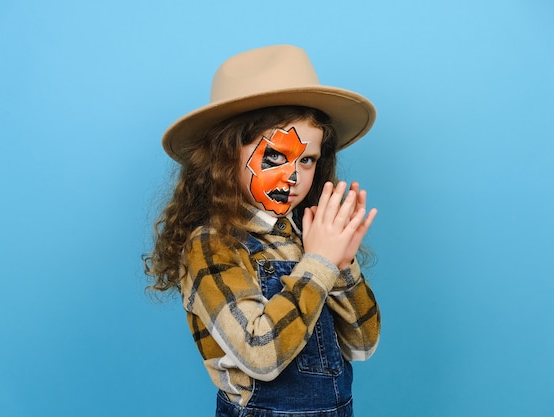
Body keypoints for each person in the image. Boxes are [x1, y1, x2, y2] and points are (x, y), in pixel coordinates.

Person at [144, 44, 381, 417]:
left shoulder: (309, 233)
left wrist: (343, 261)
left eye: (307, 160)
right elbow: (260, 354)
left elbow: (363, 345)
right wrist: (319, 263)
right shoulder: (211, 245)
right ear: (224, 157)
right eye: (275, 157)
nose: (293, 177)